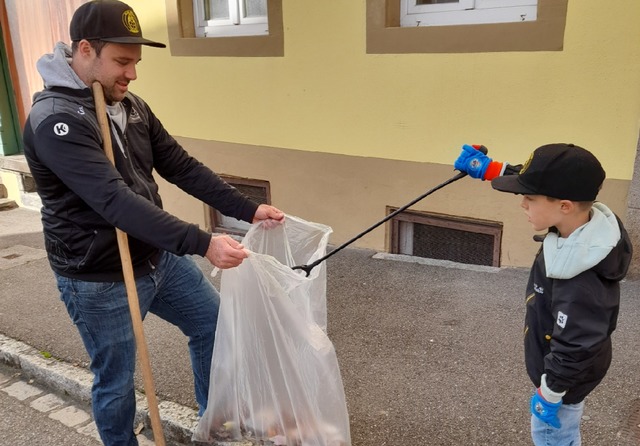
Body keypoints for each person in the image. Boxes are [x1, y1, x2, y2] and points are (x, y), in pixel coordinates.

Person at [22, 1, 285, 445]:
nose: (133, 74)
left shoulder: (131, 106)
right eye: (122, 62)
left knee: (212, 325)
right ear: (85, 50)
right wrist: (202, 243)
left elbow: (180, 166)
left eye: (136, 62)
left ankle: (213, 421)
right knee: (117, 381)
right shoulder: (55, 120)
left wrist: (247, 208)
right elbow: (113, 201)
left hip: (156, 256)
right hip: (100, 276)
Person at [454, 143, 632, 445]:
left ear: (564, 205)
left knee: (553, 437)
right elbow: (546, 181)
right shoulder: (583, 222)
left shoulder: (580, 280)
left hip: (563, 383)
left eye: (529, 198)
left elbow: (577, 343)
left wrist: (550, 394)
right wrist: (492, 170)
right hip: (564, 372)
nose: (523, 204)